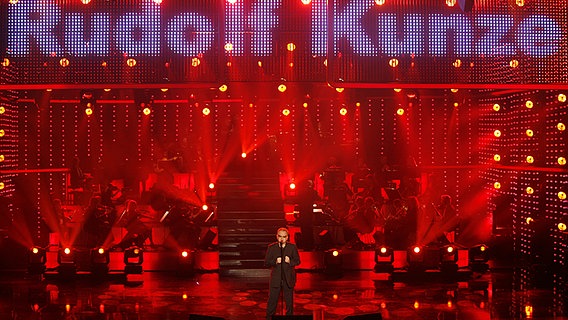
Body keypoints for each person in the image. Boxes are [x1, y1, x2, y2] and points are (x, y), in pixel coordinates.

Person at [265, 227, 300, 319]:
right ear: (277, 237)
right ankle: (269, 318)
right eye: (280, 236)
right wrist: (275, 262)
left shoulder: (292, 247)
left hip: (288, 278)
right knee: (272, 301)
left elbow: (297, 261)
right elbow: (266, 263)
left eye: (284, 237)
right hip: (276, 279)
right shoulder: (271, 247)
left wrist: (290, 261)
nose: (282, 239)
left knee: (289, 302)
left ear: (287, 237)